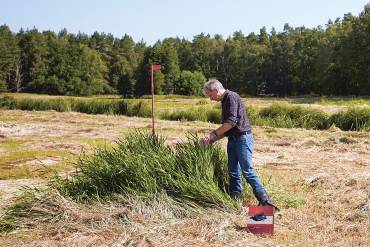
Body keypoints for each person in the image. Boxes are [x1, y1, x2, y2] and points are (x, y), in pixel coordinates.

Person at [202, 79, 274, 207]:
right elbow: (227, 128)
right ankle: (236, 201)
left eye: (210, 95)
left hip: (242, 139)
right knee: (233, 171)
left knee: (247, 171)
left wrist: (213, 134)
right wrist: (212, 139)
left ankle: (265, 201)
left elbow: (230, 122)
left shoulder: (231, 97)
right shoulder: (225, 100)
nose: (210, 99)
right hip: (233, 139)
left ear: (216, 90)